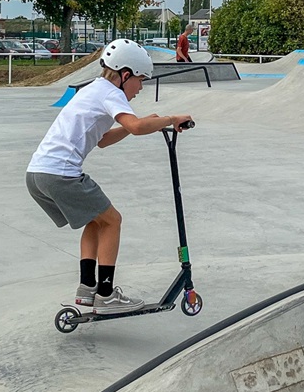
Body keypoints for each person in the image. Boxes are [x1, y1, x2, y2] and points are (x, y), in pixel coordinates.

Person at [25, 39, 193, 314]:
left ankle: (86, 291)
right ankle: (106, 295)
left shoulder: (94, 89)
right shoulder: (111, 93)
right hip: (61, 174)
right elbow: (137, 126)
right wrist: (170, 118)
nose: (140, 88)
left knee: (96, 221)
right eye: (140, 80)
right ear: (125, 75)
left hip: (38, 174)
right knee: (112, 220)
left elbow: (103, 140)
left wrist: (137, 125)